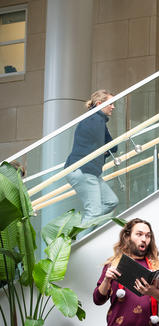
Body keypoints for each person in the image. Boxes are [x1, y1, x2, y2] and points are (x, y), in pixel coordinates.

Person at [65, 89, 120, 225]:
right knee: (93, 212)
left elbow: (113, 147)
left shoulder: (99, 121)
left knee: (111, 201)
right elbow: (106, 146)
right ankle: (80, 242)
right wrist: (104, 150)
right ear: (99, 103)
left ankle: (87, 225)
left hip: (90, 172)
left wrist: (104, 150)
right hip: (83, 170)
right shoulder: (94, 119)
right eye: (111, 103)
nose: (113, 106)